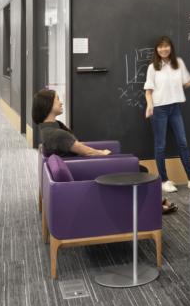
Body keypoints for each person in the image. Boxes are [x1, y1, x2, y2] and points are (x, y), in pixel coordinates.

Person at [32, 89, 177, 214]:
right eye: (57, 99)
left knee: (139, 168)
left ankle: (157, 201)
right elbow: (86, 151)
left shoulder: (47, 129)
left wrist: (100, 152)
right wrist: (101, 154)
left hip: (82, 165)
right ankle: (154, 205)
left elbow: (80, 148)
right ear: (48, 104)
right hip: (86, 169)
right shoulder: (56, 134)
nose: (61, 102)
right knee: (141, 170)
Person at [144, 36, 190, 193]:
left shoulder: (178, 63)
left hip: (174, 108)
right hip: (159, 109)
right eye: (160, 47)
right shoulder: (153, 67)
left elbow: (183, 84)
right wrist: (149, 105)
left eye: (166, 46)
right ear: (157, 49)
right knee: (160, 145)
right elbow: (148, 90)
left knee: (183, 143)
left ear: (171, 48)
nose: (163, 49)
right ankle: (164, 181)